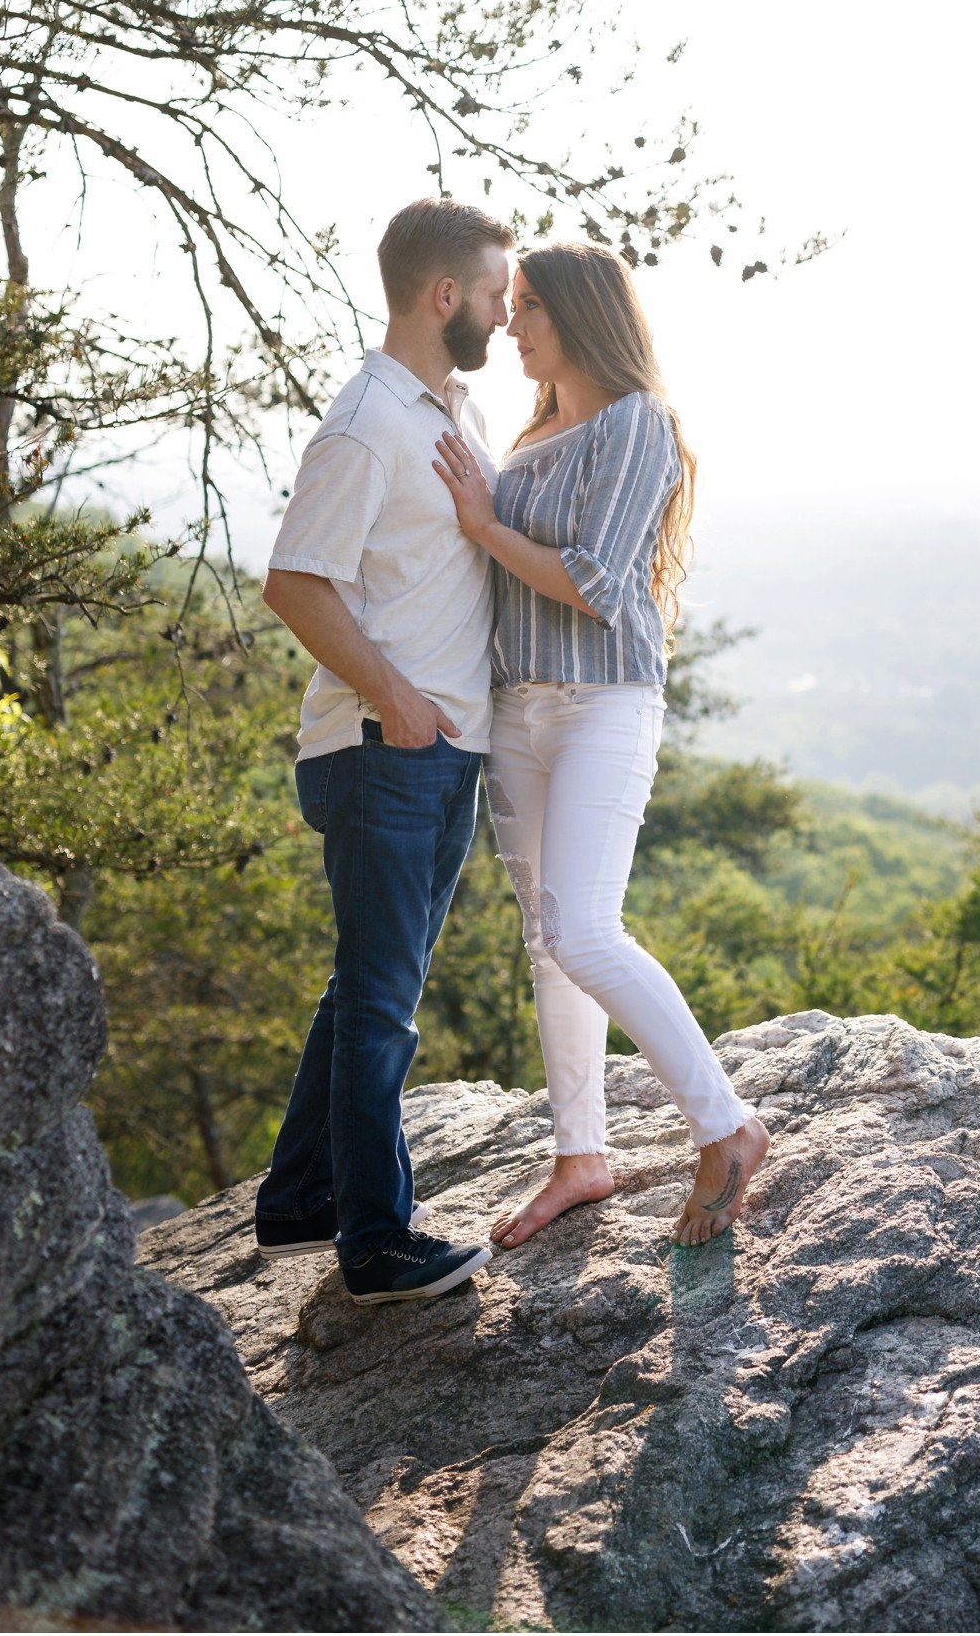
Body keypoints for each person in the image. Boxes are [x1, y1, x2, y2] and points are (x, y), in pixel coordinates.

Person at [431, 241, 770, 1249]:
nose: (509, 321)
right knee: (547, 943)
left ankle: (728, 1126)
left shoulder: (637, 423)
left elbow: (595, 583)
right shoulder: (534, 431)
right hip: (516, 710)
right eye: (512, 302)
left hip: (602, 704)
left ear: (578, 313)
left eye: (528, 305)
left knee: (583, 928)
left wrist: (483, 526)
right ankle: (581, 1158)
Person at [253, 196, 513, 1304]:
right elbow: (293, 580)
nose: (507, 314)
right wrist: (396, 698)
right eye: (497, 293)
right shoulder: (367, 422)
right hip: (383, 748)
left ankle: (300, 1198)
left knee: (367, 984)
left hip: (436, 751)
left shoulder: (445, 411)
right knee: (379, 1006)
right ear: (443, 295)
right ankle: (375, 1242)